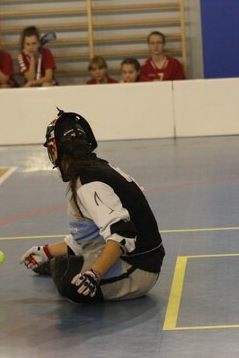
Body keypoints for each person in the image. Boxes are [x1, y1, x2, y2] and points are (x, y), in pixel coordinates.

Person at [20, 110, 165, 303]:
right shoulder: (98, 168)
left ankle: (60, 266)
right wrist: (46, 251)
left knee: (66, 276)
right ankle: (57, 262)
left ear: (56, 150)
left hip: (138, 270)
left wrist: (94, 274)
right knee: (65, 263)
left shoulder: (88, 183)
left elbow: (123, 234)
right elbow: (90, 237)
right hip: (144, 260)